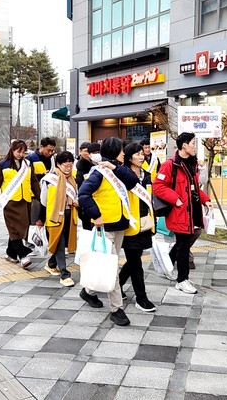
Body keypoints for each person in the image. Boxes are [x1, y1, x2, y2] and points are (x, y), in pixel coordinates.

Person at [78, 137, 140, 326]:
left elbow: (133, 182)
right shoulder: (98, 173)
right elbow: (83, 194)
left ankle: (88, 292)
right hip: (105, 227)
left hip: (120, 224)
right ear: (114, 151)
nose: (124, 153)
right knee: (113, 269)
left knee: (107, 264)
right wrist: (96, 215)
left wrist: (115, 167)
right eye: (121, 150)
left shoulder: (117, 169)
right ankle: (116, 309)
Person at [153, 132, 213, 294]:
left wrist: (205, 200)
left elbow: (194, 188)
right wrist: (176, 199)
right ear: (184, 145)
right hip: (179, 213)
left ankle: (167, 266)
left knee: (182, 245)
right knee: (184, 247)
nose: (195, 146)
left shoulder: (192, 164)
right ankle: (182, 280)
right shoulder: (170, 165)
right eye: (193, 143)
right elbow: (158, 186)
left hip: (192, 212)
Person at [0, 139, 40, 268]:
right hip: (10, 202)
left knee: (19, 229)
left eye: (23, 152)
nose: (21, 154)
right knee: (13, 229)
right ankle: (23, 255)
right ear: (12, 150)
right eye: (18, 151)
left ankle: (11, 254)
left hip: (25, 201)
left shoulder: (27, 164)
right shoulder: (3, 164)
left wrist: (41, 198)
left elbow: (34, 182)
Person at [119, 142, 156, 312]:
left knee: (135, 258)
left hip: (144, 222)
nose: (142, 157)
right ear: (129, 157)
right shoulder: (122, 174)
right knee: (135, 261)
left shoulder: (146, 174)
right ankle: (141, 298)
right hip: (130, 223)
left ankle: (117, 285)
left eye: (142, 154)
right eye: (137, 154)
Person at [38, 151, 79, 286]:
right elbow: (43, 201)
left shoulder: (73, 179)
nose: (68, 168)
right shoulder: (49, 179)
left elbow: (77, 195)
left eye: (70, 165)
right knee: (60, 244)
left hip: (70, 216)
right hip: (54, 217)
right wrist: (40, 219)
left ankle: (51, 264)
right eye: (65, 165)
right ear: (58, 165)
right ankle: (65, 274)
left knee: (63, 243)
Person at [76, 142, 100, 231]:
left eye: (98, 152)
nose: (97, 155)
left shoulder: (104, 166)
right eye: (94, 152)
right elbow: (81, 188)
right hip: (87, 204)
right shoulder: (81, 168)